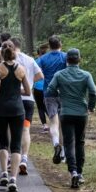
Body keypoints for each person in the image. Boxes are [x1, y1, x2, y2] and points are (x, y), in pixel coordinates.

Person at [46, 48, 96, 188]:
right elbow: (93, 92)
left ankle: (73, 171)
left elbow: (50, 90)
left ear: (66, 60)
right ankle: (80, 173)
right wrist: (91, 106)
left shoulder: (59, 74)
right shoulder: (86, 75)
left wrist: (60, 93)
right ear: (79, 59)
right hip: (81, 113)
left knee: (68, 143)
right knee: (80, 143)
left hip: (66, 112)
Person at [0, 41, 31, 192]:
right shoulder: (21, 69)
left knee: (3, 142)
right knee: (15, 144)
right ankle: (13, 179)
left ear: (1, 53)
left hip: (1, 108)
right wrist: (15, 91)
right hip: (17, 109)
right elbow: (27, 91)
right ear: (14, 53)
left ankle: (4, 173)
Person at [11, 37, 44, 175]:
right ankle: (24, 158)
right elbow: (40, 75)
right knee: (25, 129)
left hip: (13, 99)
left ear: (12, 47)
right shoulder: (30, 60)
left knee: (10, 129)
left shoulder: (11, 60)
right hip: (28, 99)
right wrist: (30, 82)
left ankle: (11, 159)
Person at [37, 35, 67, 164]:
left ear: (49, 46)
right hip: (64, 93)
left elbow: (35, 72)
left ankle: (56, 144)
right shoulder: (66, 57)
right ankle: (64, 154)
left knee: (54, 122)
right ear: (60, 44)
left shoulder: (42, 59)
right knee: (64, 124)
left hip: (49, 93)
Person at [34, 43, 50, 133]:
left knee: (40, 107)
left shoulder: (36, 61)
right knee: (48, 106)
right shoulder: (49, 60)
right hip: (48, 87)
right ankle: (54, 121)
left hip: (38, 87)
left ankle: (45, 125)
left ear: (38, 53)